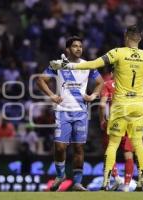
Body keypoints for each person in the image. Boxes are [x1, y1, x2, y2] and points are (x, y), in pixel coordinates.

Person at [50, 25, 143, 191]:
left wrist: (69, 66)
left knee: (113, 144)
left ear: (126, 37)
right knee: (138, 144)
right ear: (140, 38)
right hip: (138, 106)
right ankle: (142, 182)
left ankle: (106, 182)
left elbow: (93, 63)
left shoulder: (118, 52)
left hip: (121, 105)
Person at [37, 36, 104, 191]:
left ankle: (78, 182)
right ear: (67, 49)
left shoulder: (88, 65)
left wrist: (93, 96)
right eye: (75, 46)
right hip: (62, 112)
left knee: (79, 149)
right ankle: (61, 175)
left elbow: (100, 83)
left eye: (80, 46)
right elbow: (40, 80)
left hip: (81, 112)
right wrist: (52, 95)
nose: (78, 48)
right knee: (60, 147)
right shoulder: (59, 64)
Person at [99, 71, 134, 192]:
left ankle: (116, 178)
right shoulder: (131, 85)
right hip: (130, 122)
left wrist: (102, 120)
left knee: (110, 150)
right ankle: (126, 185)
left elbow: (102, 105)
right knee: (128, 153)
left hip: (114, 121)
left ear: (112, 73)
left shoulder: (108, 84)